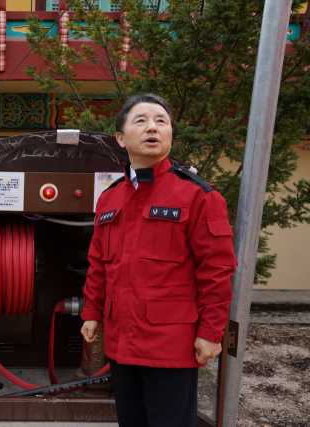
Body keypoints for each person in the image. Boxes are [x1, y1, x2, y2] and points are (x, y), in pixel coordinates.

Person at [80, 94, 237, 427]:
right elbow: (99, 265)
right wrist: (92, 312)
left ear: (169, 135)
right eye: (140, 120)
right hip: (121, 345)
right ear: (121, 138)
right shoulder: (110, 198)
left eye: (161, 121)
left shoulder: (199, 196)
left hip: (171, 348)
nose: (152, 127)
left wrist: (211, 332)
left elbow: (218, 270)